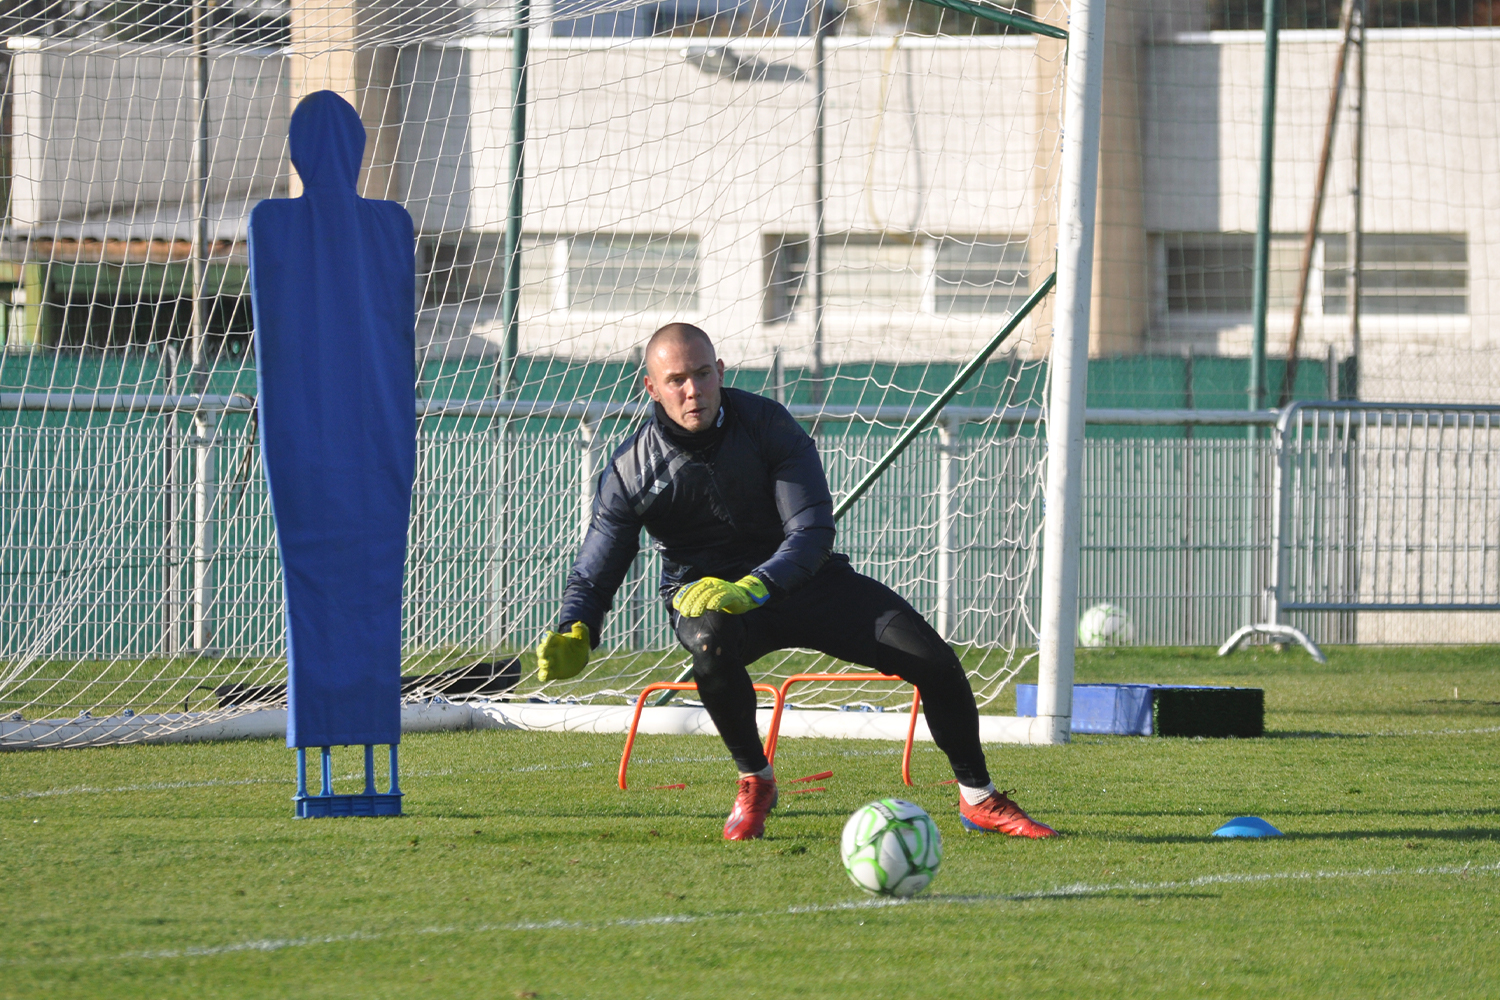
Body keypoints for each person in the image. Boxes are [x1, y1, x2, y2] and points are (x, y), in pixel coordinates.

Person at [535, 323, 1057, 841]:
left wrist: (756, 585)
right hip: (710, 601)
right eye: (676, 380)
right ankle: (756, 781)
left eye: (702, 373)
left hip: (805, 582)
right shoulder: (630, 470)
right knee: (709, 646)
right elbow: (595, 568)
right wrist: (576, 626)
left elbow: (811, 532)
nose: (693, 390)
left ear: (720, 372)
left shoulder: (767, 423)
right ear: (652, 388)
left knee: (934, 660)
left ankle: (979, 798)